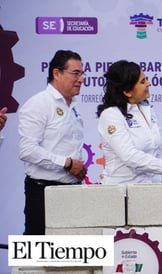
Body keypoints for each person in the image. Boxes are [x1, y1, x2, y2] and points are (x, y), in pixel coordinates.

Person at [18, 50, 87, 235]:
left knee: (74, 255)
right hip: (43, 193)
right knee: (39, 256)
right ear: (56, 73)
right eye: (75, 73)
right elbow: (27, 150)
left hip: (71, 191)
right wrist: (67, 163)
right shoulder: (39, 103)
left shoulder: (73, 106)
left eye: (82, 74)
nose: (81, 79)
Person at [96, 60, 162, 184]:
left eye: (146, 79)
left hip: (152, 192)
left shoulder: (147, 110)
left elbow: (159, 151)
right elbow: (129, 156)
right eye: (142, 81)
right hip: (122, 193)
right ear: (127, 91)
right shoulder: (111, 115)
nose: (148, 83)